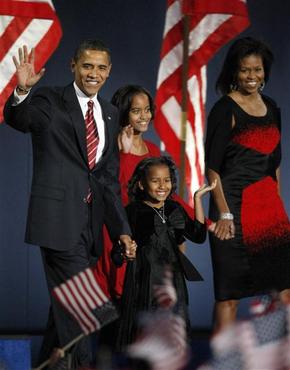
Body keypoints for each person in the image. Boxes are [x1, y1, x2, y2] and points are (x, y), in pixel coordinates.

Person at [3, 40, 135, 368]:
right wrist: (21, 91)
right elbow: (19, 119)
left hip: (88, 228)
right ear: (73, 66)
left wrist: (122, 230)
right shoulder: (50, 100)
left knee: (64, 313)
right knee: (89, 309)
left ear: (109, 71)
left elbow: (106, 180)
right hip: (55, 222)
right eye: (87, 66)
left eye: (101, 67)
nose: (94, 73)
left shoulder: (109, 111)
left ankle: (49, 363)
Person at [205, 36, 290, 333]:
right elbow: (212, 170)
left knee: (284, 292)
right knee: (229, 297)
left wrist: (278, 209)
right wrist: (225, 214)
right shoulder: (224, 109)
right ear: (234, 72)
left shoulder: (273, 108)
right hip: (232, 211)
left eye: (257, 70)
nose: (251, 77)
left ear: (264, 71)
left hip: (268, 211)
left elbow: (273, 164)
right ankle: (223, 363)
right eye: (245, 70)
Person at [114, 156, 216, 350]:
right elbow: (117, 253)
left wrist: (197, 199)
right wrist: (126, 253)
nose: (162, 185)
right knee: (146, 330)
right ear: (142, 184)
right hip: (144, 278)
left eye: (167, 180)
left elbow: (199, 235)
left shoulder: (174, 208)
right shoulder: (132, 211)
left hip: (172, 279)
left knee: (173, 328)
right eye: (155, 180)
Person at [95, 85, 160, 301]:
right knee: (110, 299)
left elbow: (164, 194)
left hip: (144, 235)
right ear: (123, 113)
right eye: (136, 110)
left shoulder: (153, 149)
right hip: (115, 231)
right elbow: (112, 188)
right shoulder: (108, 146)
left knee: (139, 303)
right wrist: (123, 153)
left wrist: (205, 221)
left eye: (147, 109)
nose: (144, 116)